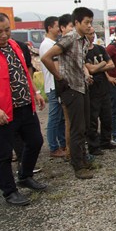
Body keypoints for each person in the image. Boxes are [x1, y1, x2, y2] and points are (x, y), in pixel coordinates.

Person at [0, 13, 46, 205]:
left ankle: (25, 175)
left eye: (7, 30)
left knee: (35, 141)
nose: (4, 35)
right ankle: (9, 191)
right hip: (3, 112)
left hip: (24, 106)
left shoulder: (15, 46)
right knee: (3, 153)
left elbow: (24, 74)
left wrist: (35, 92)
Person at [40, 7, 96, 180]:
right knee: (76, 128)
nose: (89, 26)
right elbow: (46, 57)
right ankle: (77, 165)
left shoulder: (84, 41)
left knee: (85, 125)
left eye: (90, 22)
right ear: (77, 22)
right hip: (71, 88)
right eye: (86, 22)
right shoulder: (69, 38)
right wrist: (59, 77)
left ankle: (83, 159)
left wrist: (86, 75)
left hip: (81, 86)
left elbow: (80, 63)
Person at [38, 16, 67, 159]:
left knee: (61, 118)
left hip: (57, 86)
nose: (59, 29)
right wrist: (58, 76)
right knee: (54, 118)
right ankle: (53, 147)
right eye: (57, 26)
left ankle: (62, 144)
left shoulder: (53, 43)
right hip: (52, 86)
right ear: (50, 28)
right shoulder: (47, 45)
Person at [84, 30, 116, 151]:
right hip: (93, 89)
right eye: (89, 33)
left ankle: (106, 141)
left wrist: (98, 67)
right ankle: (93, 145)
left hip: (104, 87)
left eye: (93, 33)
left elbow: (112, 64)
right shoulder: (83, 52)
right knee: (93, 118)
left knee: (107, 116)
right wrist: (103, 63)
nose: (92, 36)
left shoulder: (100, 48)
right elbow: (90, 70)